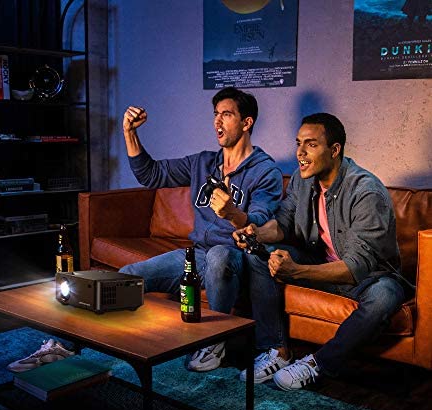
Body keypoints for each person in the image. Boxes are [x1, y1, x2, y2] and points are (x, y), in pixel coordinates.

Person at [234, 113, 405, 390]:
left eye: (311, 144)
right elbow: (284, 223)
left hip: (369, 278)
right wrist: (256, 233)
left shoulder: (366, 191)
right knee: (258, 254)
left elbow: (357, 266)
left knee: (385, 296)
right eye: (298, 143)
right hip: (321, 264)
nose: (300, 153)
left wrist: (297, 271)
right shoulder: (303, 180)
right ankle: (277, 351)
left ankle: (318, 364)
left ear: (334, 150)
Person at [120, 87, 283, 372]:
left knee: (220, 255)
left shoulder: (265, 171)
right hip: (196, 257)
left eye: (227, 114)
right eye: (216, 114)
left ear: (246, 123)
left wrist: (231, 213)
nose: (217, 121)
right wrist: (129, 133)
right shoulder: (203, 163)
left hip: (235, 257)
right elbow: (151, 175)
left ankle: (214, 341)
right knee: (127, 276)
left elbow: (258, 223)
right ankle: (87, 339)